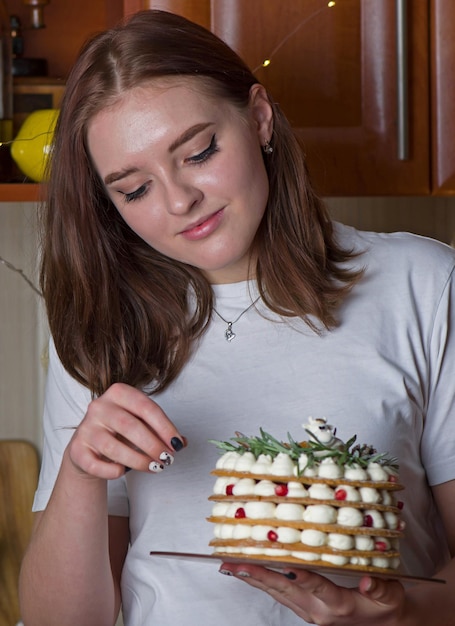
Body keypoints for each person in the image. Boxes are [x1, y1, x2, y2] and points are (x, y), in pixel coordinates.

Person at [18, 9, 455, 626]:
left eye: (198, 152)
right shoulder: (103, 327)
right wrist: (82, 473)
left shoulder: (425, 286)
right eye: (134, 189)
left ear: (258, 117)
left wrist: (400, 615)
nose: (178, 200)